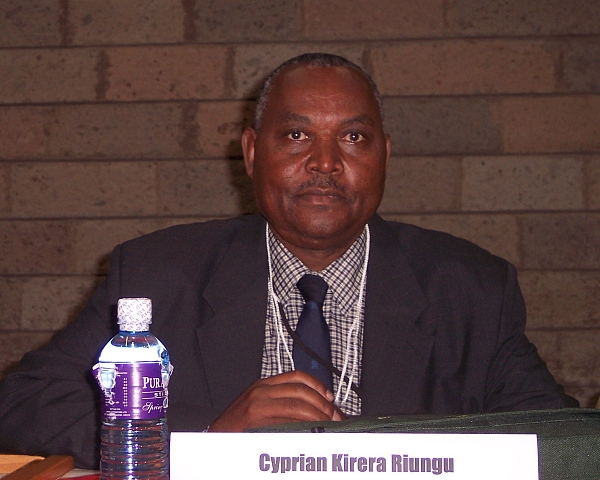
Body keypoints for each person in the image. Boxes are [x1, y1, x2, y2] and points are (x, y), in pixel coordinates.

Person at [0, 53, 577, 468]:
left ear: (385, 156)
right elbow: (24, 403)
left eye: (353, 138)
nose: (325, 163)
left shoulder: (472, 289)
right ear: (252, 154)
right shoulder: (156, 274)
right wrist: (207, 445)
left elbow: (561, 444)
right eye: (297, 136)